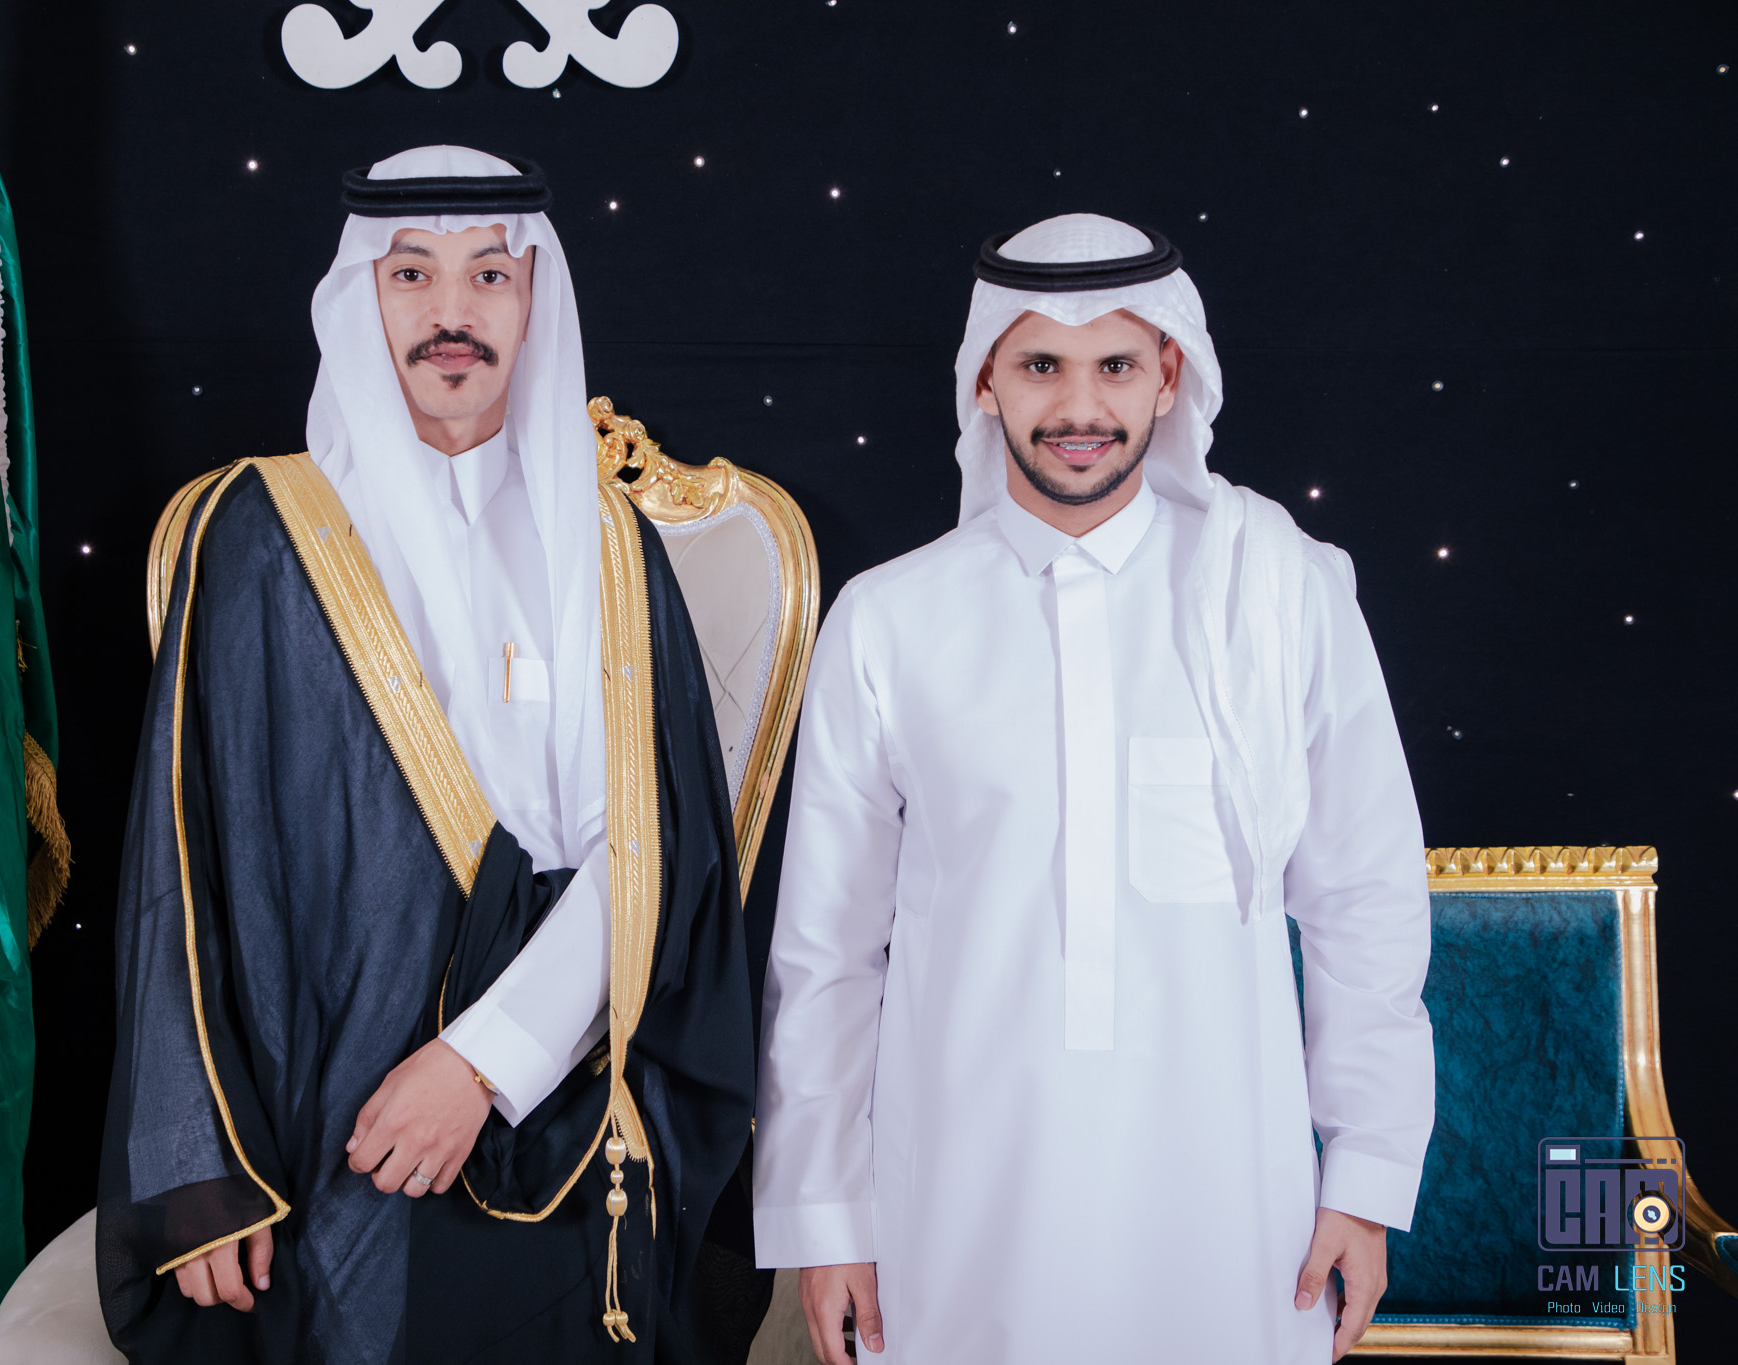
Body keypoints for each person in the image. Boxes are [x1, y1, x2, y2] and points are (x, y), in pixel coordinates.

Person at [95, 146, 755, 1364]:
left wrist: (482, 1065)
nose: (452, 311)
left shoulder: (611, 547)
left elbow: (653, 852)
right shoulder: (261, 530)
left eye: (488, 274)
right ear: (361, 296)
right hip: (315, 1097)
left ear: (533, 299)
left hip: (566, 1074)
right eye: (412, 273)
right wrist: (196, 1169)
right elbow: (179, 867)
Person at [751, 213, 1435, 1363]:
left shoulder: (1279, 594)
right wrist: (824, 1220)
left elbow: (1362, 902)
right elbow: (825, 953)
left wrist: (1362, 1178)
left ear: (1168, 374)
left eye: (1113, 365)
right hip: (958, 1209)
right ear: (984, 380)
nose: (1079, 407)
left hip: (1229, 1203)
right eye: (1040, 366)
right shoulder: (887, 620)